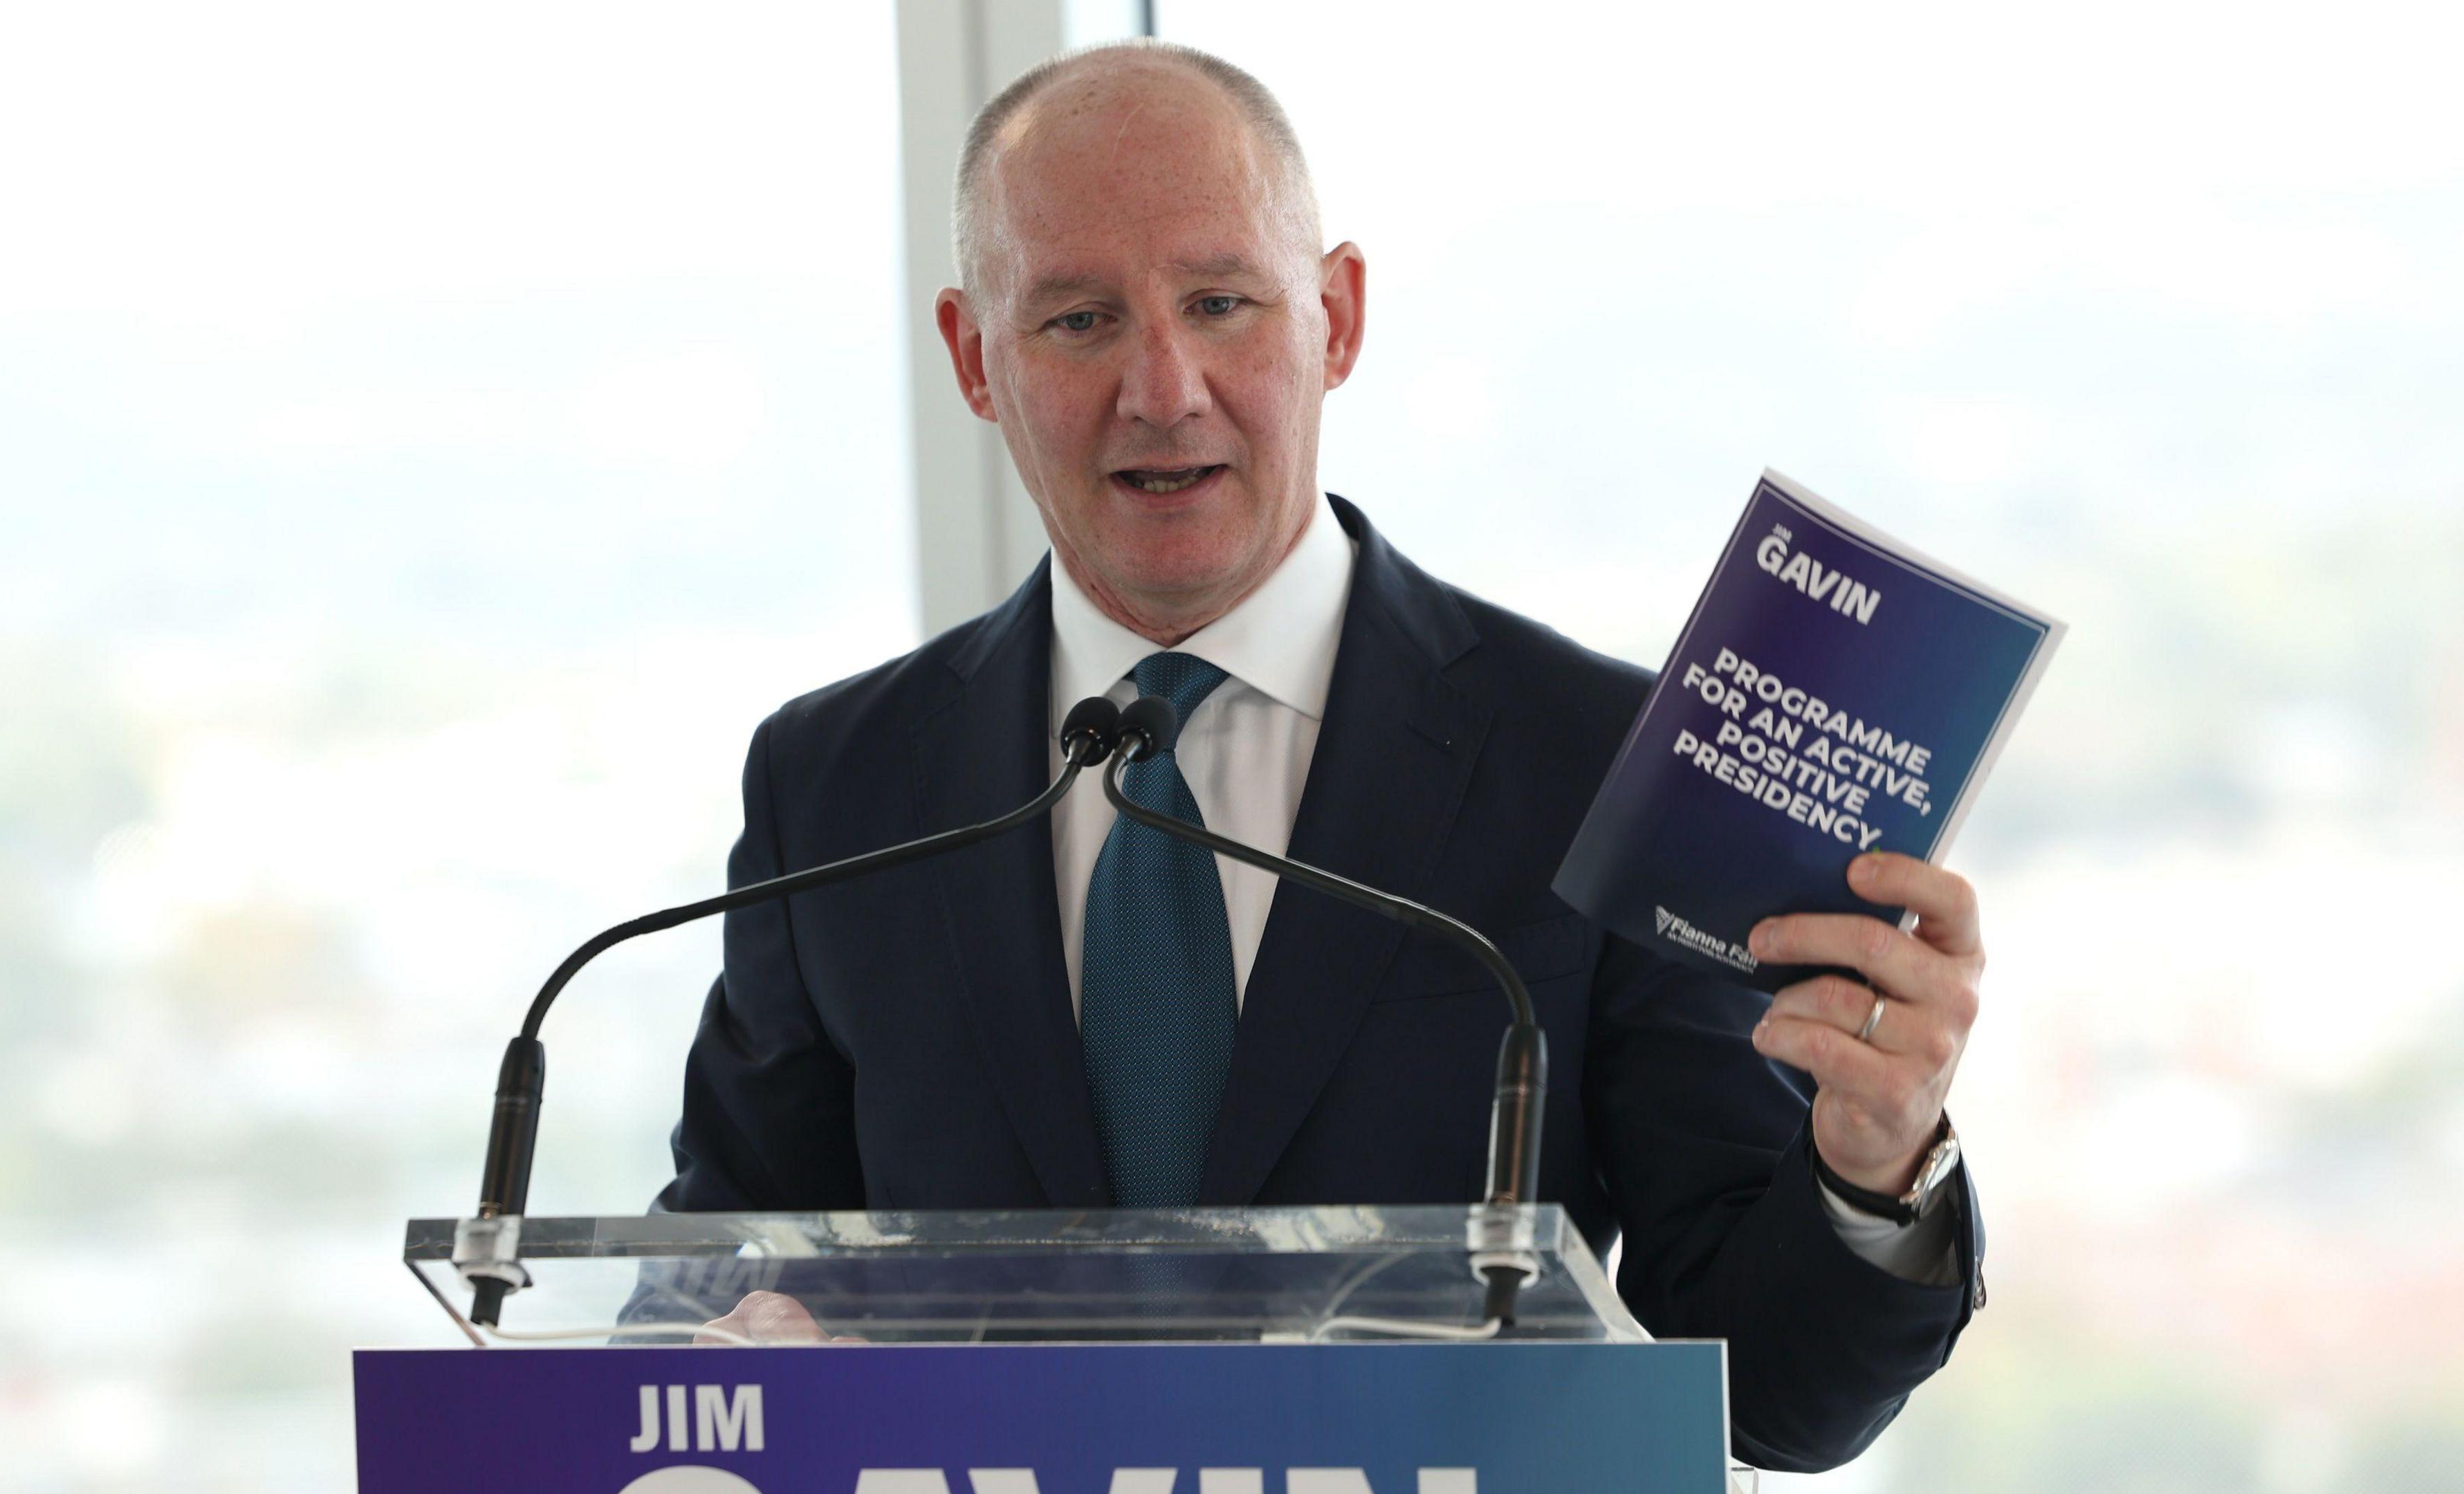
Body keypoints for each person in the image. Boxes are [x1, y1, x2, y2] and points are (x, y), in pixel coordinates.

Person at [655, 40, 1985, 1472]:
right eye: (1080, 320)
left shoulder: (1597, 761)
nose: (1163, 389)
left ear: (1337, 317)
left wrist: (1873, 1168)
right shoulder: (835, 785)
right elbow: (724, 1266)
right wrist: (711, 1339)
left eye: (1222, 303)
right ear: (976, 360)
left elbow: (1769, 1396)